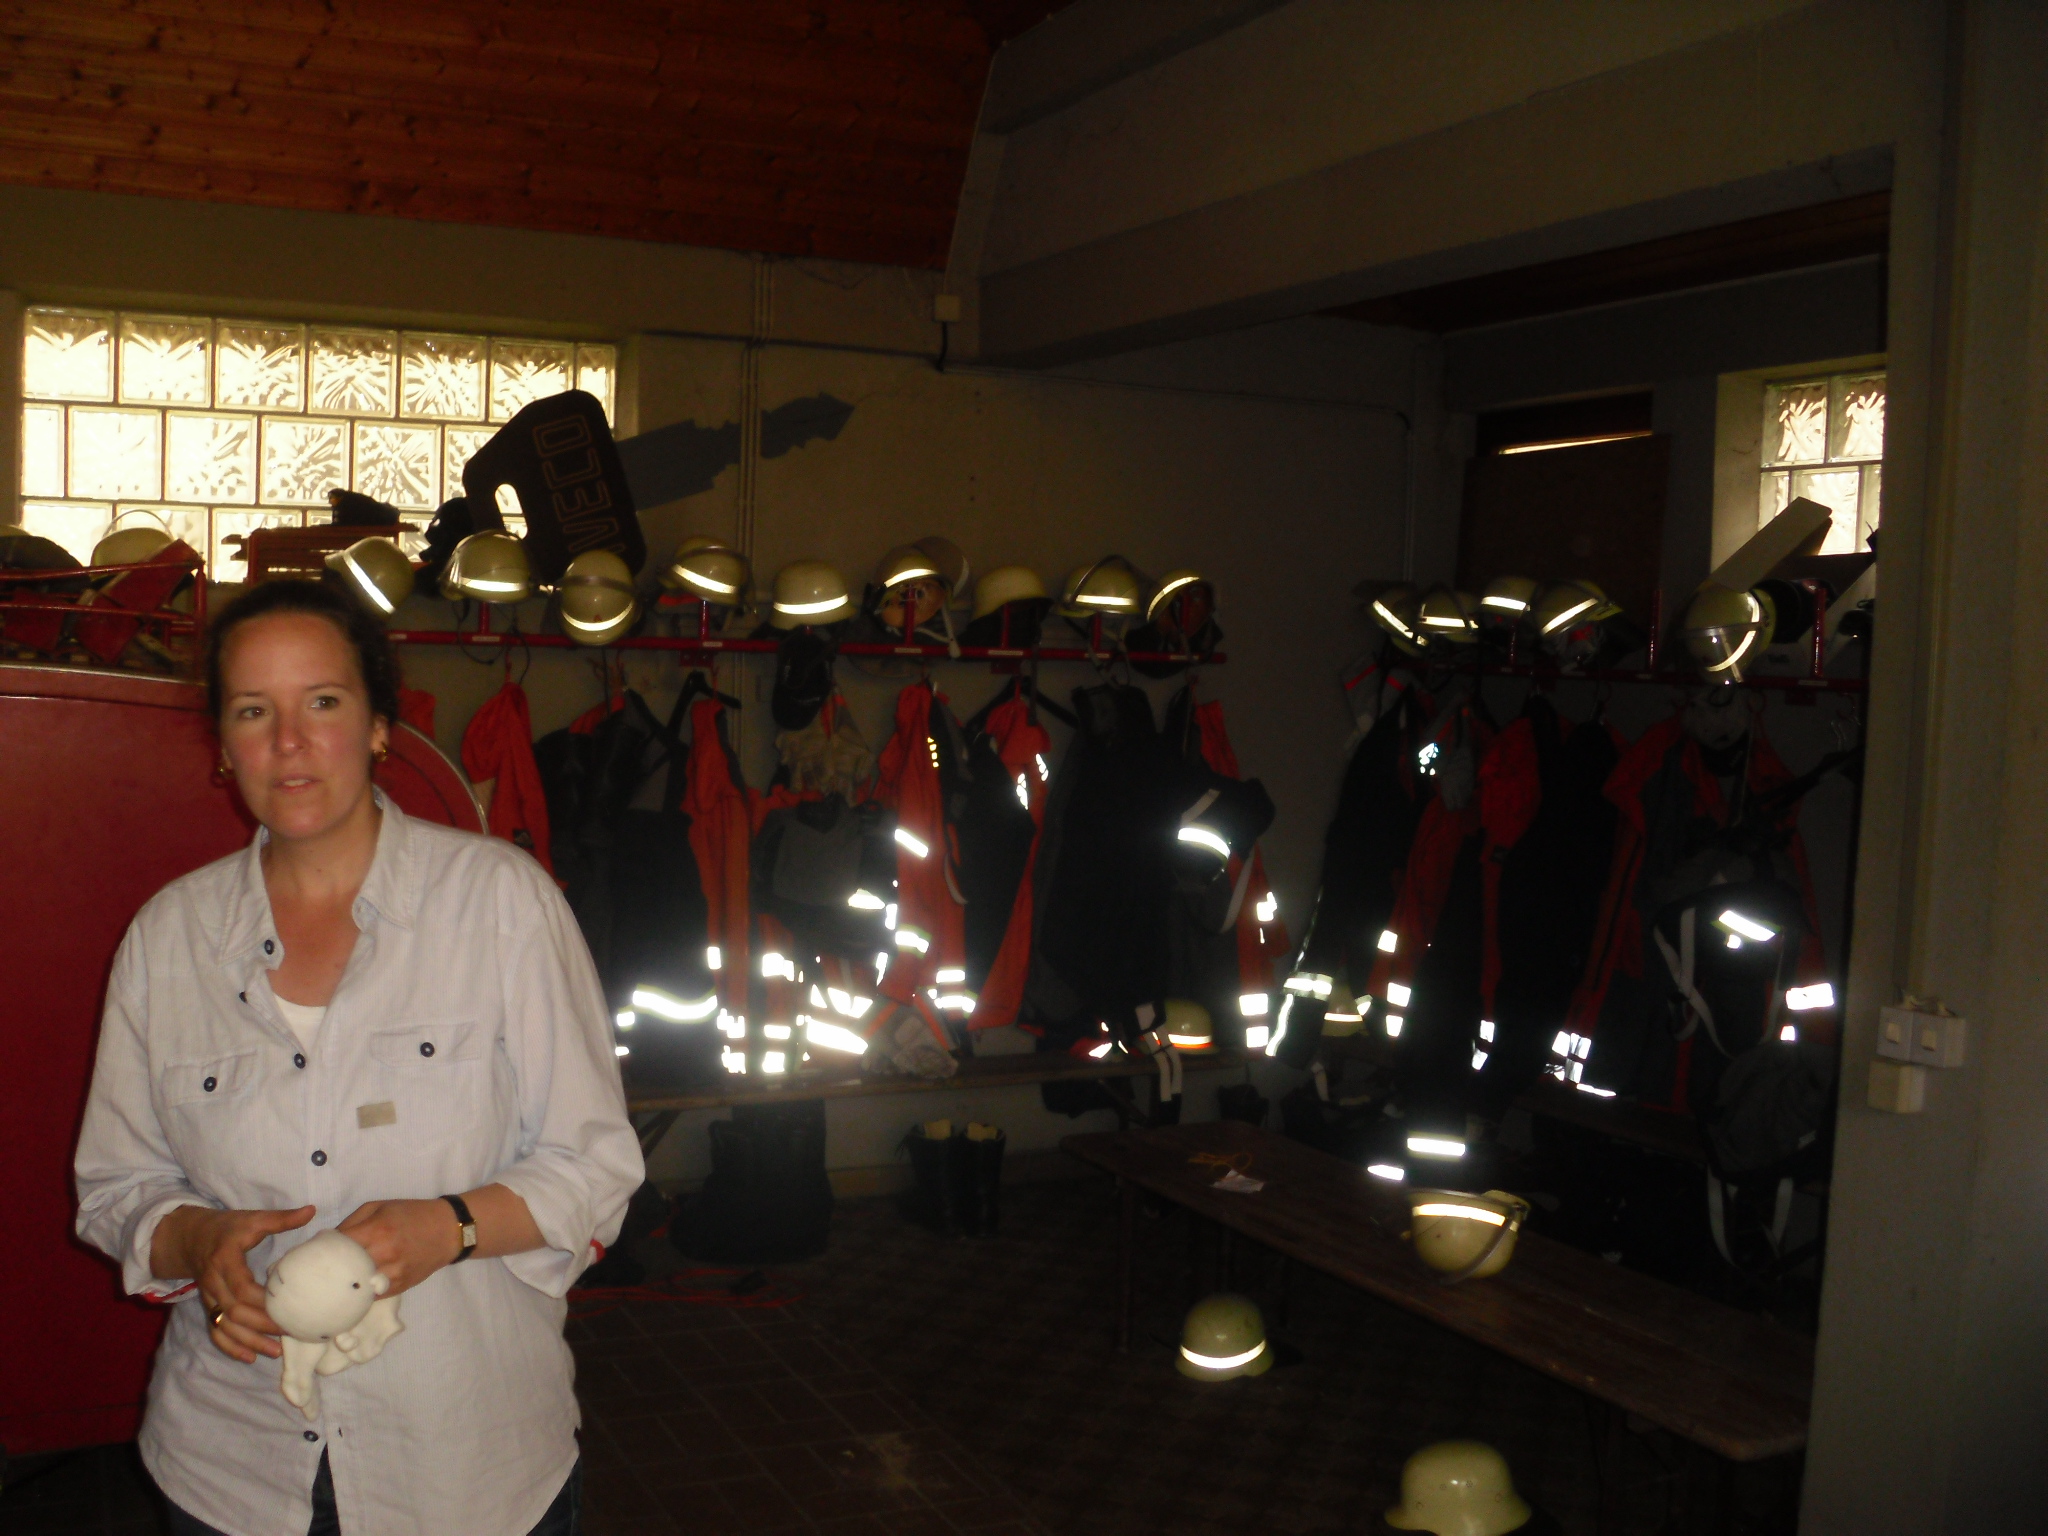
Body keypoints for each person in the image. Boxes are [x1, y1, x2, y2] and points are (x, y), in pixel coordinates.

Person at [74, 577, 643, 1535]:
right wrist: (199, 1243)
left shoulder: (500, 903)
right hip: (232, 1468)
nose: (289, 742)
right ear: (224, 746)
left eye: (323, 702)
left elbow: (595, 1165)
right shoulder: (168, 938)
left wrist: (451, 1228)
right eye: (254, 711)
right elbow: (116, 1187)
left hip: (466, 1467)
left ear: (380, 726)